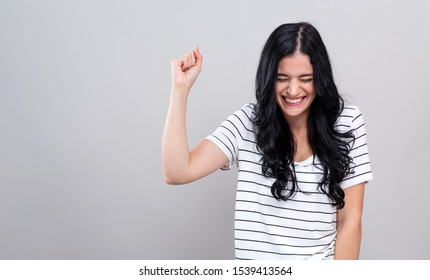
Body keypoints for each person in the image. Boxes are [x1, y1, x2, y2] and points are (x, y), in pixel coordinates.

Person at [162, 22, 373, 260]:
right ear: (268, 77)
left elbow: (350, 220)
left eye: (305, 78)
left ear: (320, 78)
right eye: (282, 78)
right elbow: (177, 172)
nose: (293, 90)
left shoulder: (346, 122)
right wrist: (180, 90)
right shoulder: (247, 123)